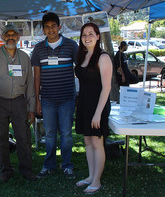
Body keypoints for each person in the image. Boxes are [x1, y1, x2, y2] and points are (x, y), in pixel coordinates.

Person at [0, 24, 36, 182]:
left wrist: (31, 108)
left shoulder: (24, 57)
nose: (10, 37)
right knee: (1, 137)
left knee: (24, 137)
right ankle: (5, 170)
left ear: (18, 38)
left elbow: (30, 84)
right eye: (7, 35)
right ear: (2, 37)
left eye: (13, 35)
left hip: (19, 102)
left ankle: (26, 169)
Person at [31, 12, 78, 179]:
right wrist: (37, 99)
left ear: (59, 27)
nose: (50, 29)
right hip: (48, 100)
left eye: (53, 26)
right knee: (49, 134)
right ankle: (48, 165)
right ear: (43, 30)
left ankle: (67, 166)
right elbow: (37, 76)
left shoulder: (72, 46)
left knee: (66, 134)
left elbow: (80, 69)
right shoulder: (38, 49)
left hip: (67, 98)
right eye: (47, 27)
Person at [74, 23, 112, 194]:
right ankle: (90, 176)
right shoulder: (83, 56)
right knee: (88, 141)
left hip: (98, 106)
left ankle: (97, 181)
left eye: (90, 34)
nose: (87, 37)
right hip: (84, 104)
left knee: (97, 142)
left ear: (98, 36)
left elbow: (107, 88)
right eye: (84, 35)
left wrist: (97, 114)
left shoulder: (103, 57)